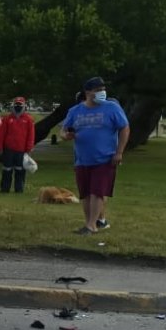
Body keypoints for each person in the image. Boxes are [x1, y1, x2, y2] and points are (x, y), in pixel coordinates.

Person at [62, 77, 130, 235]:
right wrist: (66, 136)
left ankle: (92, 225)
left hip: (105, 158)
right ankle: (88, 223)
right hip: (82, 159)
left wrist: (119, 152)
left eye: (103, 89)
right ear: (88, 92)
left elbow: (124, 128)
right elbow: (63, 131)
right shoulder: (75, 111)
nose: (102, 93)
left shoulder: (112, 108)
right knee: (85, 193)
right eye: (98, 90)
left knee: (97, 191)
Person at [0, 96, 35, 193]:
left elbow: (31, 135)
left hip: (21, 150)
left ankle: (19, 189)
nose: (18, 106)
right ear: (13, 105)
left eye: (20, 104)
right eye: (16, 104)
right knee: (7, 169)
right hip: (8, 149)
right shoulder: (7, 119)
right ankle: (4, 189)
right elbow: (1, 134)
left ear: (24, 106)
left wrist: (29, 148)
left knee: (20, 170)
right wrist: (0, 147)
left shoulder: (28, 119)